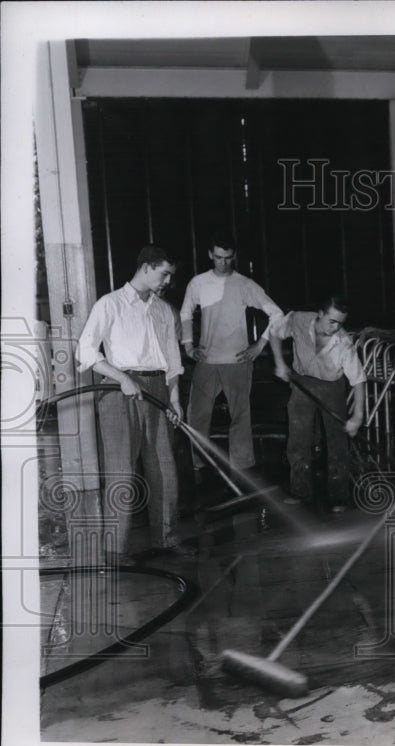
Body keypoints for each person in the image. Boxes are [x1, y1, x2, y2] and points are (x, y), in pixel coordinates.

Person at [76, 245, 191, 566]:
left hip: (157, 388)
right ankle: (115, 550)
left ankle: (167, 539)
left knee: (164, 467)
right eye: (163, 273)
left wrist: (175, 398)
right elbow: (84, 351)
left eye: (170, 275)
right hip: (118, 388)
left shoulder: (164, 311)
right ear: (145, 267)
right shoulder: (109, 304)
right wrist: (120, 377)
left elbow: (173, 361)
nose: (167, 280)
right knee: (121, 471)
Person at [180, 231, 283, 475]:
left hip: (238, 361)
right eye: (218, 257)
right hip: (207, 360)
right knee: (197, 416)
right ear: (210, 255)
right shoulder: (198, 283)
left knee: (240, 416)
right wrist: (188, 346)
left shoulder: (244, 284)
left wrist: (259, 345)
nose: (223, 263)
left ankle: (243, 469)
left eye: (227, 258)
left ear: (234, 256)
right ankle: (199, 467)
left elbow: (277, 314)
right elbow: (185, 313)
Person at [270, 296, 367, 512]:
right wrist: (279, 363)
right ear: (320, 314)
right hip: (301, 381)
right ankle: (300, 491)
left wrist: (357, 416)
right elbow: (274, 334)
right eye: (331, 321)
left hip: (331, 386)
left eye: (340, 323)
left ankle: (339, 496)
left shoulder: (343, 342)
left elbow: (358, 379)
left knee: (336, 440)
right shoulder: (298, 320)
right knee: (298, 437)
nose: (335, 328)